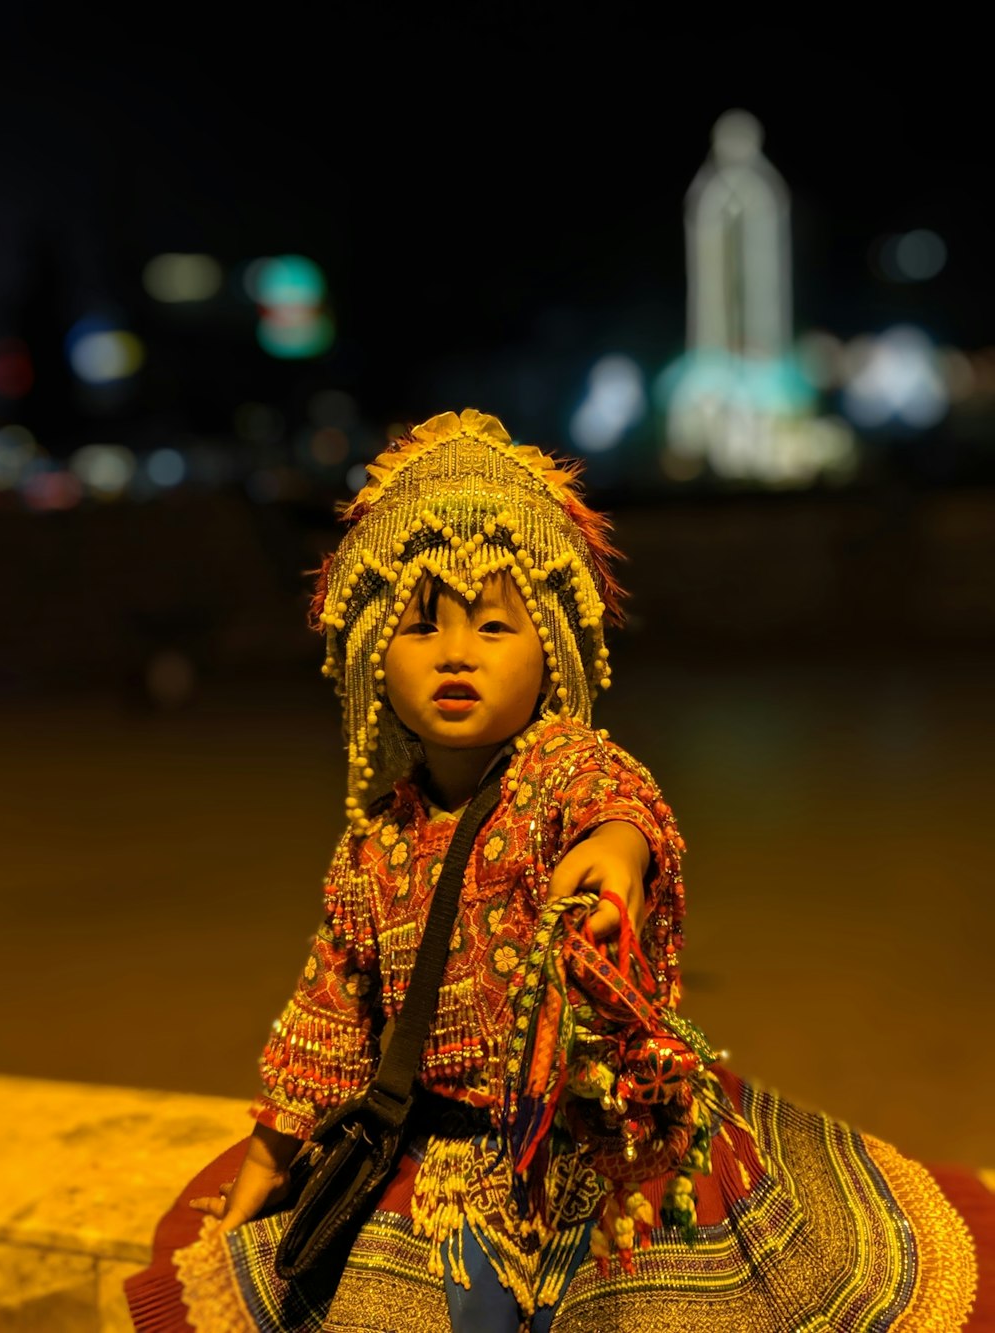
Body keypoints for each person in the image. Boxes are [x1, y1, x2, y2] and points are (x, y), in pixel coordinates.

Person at [126, 409, 979, 1331]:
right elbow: (328, 1019)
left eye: (494, 626)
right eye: (421, 627)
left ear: (553, 651)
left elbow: (622, 818)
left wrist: (607, 879)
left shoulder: (565, 772)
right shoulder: (372, 842)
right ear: (374, 654)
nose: (457, 654)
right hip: (433, 1155)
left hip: (589, 1158)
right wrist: (266, 1167)